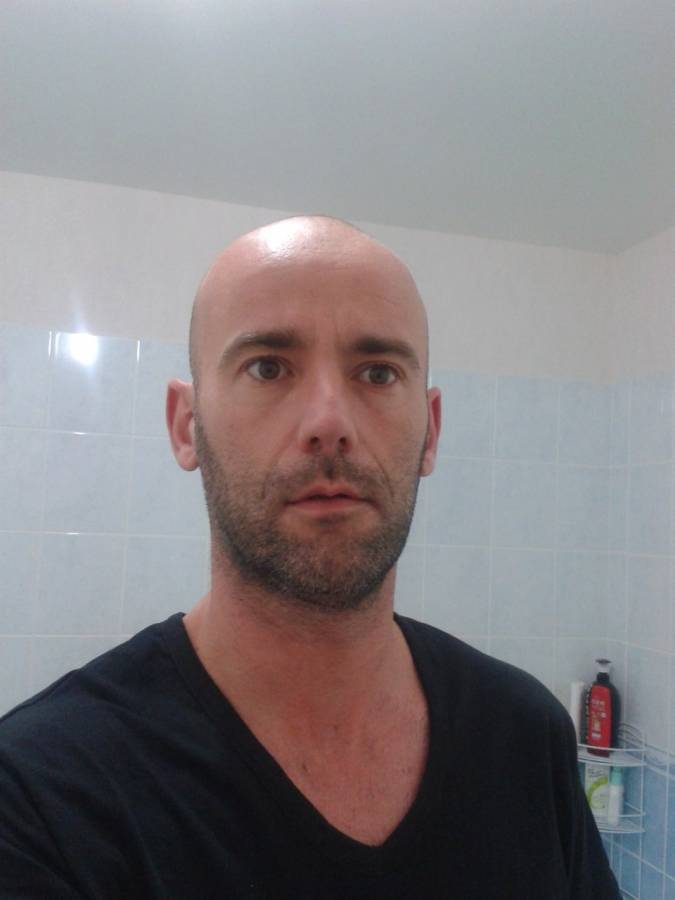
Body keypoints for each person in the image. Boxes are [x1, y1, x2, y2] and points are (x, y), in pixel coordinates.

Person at [0, 216, 619, 899]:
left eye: (377, 373)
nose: (330, 422)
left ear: (430, 433)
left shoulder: (525, 735)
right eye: (267, 367)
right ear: (186, 425)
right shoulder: (39, 797)